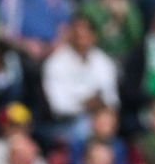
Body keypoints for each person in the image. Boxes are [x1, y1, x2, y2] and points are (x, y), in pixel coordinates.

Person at [41, 15, 120, 145]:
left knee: (106, 126)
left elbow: (112, 101)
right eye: (78, 32)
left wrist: (102, 111)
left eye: (87, 32)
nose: (82, 36)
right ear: (70, 34)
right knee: (83, 127)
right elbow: (58, 107)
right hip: (64, 124)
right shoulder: (55, 63)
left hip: (99, 119)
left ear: (95, 35)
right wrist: (85, 104)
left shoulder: (104, 62)